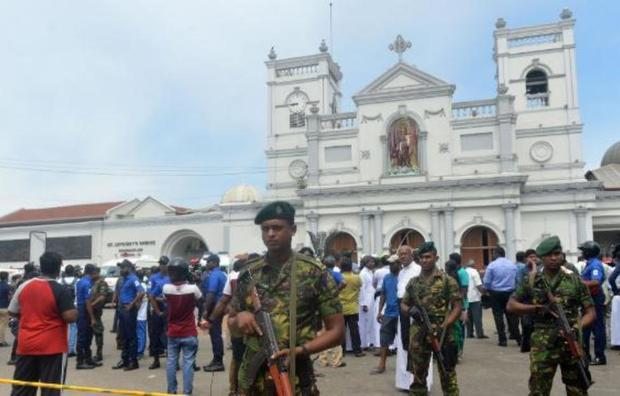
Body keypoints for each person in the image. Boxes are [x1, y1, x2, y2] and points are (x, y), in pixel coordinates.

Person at [228, 201, 344, 395]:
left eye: (277, 228)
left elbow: (337, 331)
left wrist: (300, 351)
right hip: (252, 381)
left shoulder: (314, 272)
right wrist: (239, 319)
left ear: (293, 230)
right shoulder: (248, 274)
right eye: (265, 229)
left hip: (294, 378)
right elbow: (231, 321)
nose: (271, 234)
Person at [507, 236, 596, 395]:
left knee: (578, 389)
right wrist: (537, 308)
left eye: (557, 253)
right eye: (549, 255)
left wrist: (576, 327)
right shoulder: (532, 280)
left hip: (571, 342)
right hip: (543, 345)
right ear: (541, 258)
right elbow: (511, 305)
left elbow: (590, 312)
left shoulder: (575, 281)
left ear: (562, 255)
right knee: (538, 390)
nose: (554, 258)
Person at [9, 252, 78, 396]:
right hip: (52, 348)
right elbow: (70, 317)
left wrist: (31, 314)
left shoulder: (24, 286)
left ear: (41, 267)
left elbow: (13, 312)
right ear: (58, 269)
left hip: (26, 345)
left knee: (22, 388)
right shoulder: (60, 289)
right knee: (51, 390)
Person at [400, 242, 462, 395]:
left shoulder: (447, 280)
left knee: (448, 373)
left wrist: (445, 325)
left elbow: (457, 307)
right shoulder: (413, 283)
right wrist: (411, 310)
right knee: (418, 375)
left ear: (436, 258)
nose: (424, 260)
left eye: (428, 257)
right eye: (421, 257)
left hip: (444, 332)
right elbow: (403, 304)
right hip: (419, 332)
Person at [163, 257, 202, 396]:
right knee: (188, 364)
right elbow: (200, 301)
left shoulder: (166, 288)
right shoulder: (193, 289)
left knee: (171, 362)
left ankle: (171, 391)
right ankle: (187, 393)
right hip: (189, 331)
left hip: (173, 331)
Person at [483, 246, 520, 346]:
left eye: (493, 253)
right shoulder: (512, 265)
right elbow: (517, 280)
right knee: (512, 316)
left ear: (496, 253)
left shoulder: (492, 265)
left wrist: (487, 290)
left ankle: (502, 340)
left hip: (496, 293)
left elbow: (486, 282)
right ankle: (518, 338)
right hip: (510, 292)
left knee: (498, 316)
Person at [578, 241, 607, 365]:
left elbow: (595, 282)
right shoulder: (590, 264)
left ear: (589, 252)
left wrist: (579, 283)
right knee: (586, 328)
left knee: (597, 328)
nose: (582, 253)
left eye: (584, 250)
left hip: (595, 299)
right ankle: (586, 356)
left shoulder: (595, 265)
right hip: (588, 299)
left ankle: (600, 356)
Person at [113, 259, 145, 371]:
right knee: (123, 335)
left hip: (128, 310)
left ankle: (133, 361)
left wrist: (132, 304)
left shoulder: (133, 279)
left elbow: (141, 292)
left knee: (131, 336)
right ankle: (125, 359)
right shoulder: (123, 279)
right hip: (122, 309)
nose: (121, 270)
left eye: (123, 267)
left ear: (129, 268)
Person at [371, 259, 400, 374]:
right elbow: (383, 294)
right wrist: (379, 311)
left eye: (394, 263)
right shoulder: (387, 277)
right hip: (388, 313)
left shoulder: (403, 276)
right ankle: (382, 364)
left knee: (404, 341)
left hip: (401, 314)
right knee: (384, 339)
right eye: (390, 264)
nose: (392, 265)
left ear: (399, 264)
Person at [318, 255, 347, 369]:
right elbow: (344, 283)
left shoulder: (320, 273)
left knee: (322, 332)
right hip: (333, 305)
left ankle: (323, 360)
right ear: (334, 264)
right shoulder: (335, 274)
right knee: (335, 331)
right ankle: (336, 361)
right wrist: (336, 291)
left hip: (321, 305)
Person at [202, 253, 228, 372]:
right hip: (220, 307)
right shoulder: (222, 274)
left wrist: (206, 310)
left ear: (215, 262)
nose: (206, 264)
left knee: (215, 334)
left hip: (215, 308)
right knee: (216, 333)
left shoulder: (214, 275)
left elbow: (211, 294)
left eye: (208, 262)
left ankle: (218, 361)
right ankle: (217, 359)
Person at [75, 263, 101, 369]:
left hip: (82, 309)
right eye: (96, 272)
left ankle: (88, 359)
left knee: (88, 336)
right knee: (83, 336)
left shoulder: (82, 281)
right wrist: (92, 318)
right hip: (83, 311)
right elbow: (87, 302)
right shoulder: (86, 283)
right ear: (93, 272)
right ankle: (80, 361)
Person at [147, 256, 170, 369]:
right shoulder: (153, 278)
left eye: (164, 264)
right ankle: (156, 360)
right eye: (161, 264)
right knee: (155, 334)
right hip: (156, 308)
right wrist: (157, 310)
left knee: (169, 334)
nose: (162, 266)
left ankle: (172, 360)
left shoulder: (171, 277)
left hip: (169, 308)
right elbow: (150, 294)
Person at [339, 256, 365, 356]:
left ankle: (342, 351)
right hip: (353, 307)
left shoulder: (339, 277)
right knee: (354, 330)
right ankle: (357, 350)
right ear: (351, 267)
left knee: (342, 331)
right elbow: (360, 286)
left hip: (341, 307)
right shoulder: (356, 277)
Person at [88, 266, 110, 363]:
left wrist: (92, 304)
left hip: (96, 310)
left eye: (92, 273)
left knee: (98, 331)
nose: (90, 275)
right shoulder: (91, 282)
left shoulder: (101, 283)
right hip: (90, 309)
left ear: (96, 273)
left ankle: (99, 353)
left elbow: (102, 296)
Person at [464, 260, 487, 339]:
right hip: (475, 297)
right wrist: (484, 292)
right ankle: (479, 333)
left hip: (466, 297)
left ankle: (469, 333)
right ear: (474, 265)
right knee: (477, 316)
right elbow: (478, 285)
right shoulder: (474, 272)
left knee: (468, 316)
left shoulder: (464, 271)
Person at [358, 255, 376, 351]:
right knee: (365, 323)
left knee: (370, 322)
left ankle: (370, 342)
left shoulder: (370, 272)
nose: (373, 263)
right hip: (366, 301)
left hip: (371, 299)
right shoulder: (363, 274)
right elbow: (362, 289)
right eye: (370, 262)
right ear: (365, 263)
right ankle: (364, 343)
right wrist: (364, 303)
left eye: (373, 262)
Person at [60, 264, 78, 358]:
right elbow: (77, 295)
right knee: (74, 327)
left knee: (61, 327)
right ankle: (71, 349)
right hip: (73, 306)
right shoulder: (77, 281)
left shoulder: (60, 281)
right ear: (73, 272)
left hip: (61, 306)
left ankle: (62, 348)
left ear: (65, 272)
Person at [608, 244, 620, 349]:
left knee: (617, 320)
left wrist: (616, 291)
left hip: (618, 295)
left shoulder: (618, 265)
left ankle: (617, 342)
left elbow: (611, 279)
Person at [136, 271, 148, 359]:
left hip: (140, 313)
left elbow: (139, 299)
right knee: (140, 333)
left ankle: (140, 351)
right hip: (142, 313)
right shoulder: (145, 285)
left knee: (140, 333)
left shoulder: (141, 287)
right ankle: (139, 350)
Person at [0, 271, 11, 347]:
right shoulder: (7, 286)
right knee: (3, 325)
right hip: (4, 307)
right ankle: (1, 341)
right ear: (7, 277)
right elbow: (9, 297)